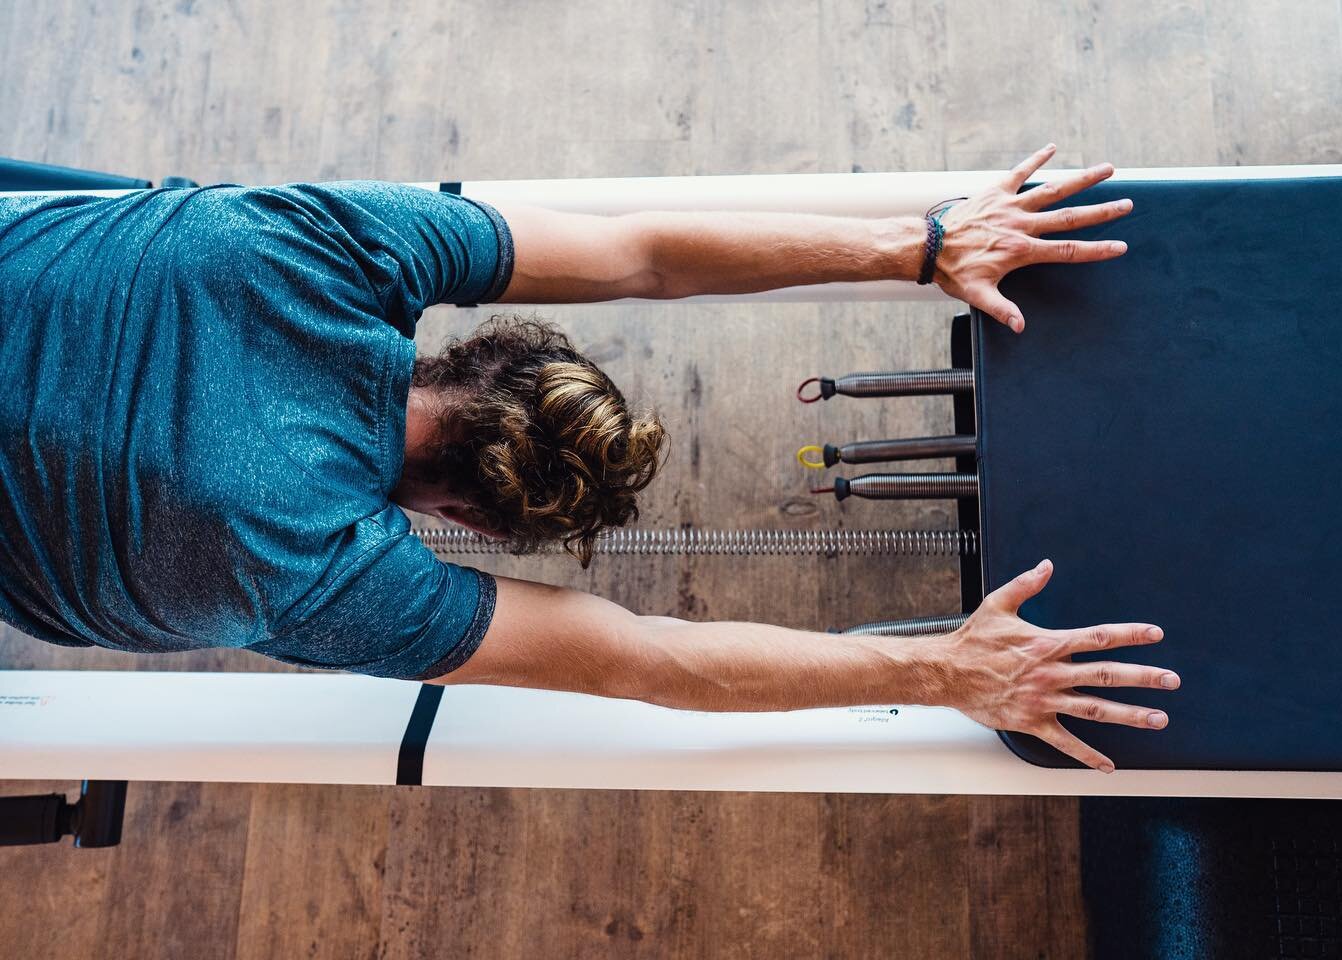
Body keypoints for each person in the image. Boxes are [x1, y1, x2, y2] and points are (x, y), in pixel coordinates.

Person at [0, 144, 1175, 773]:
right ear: (473, 521)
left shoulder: (326, 252)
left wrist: (920, 247)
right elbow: (642, 662)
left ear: (479, 346)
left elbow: (636, 253)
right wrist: (936, 672)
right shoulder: (330, 571)